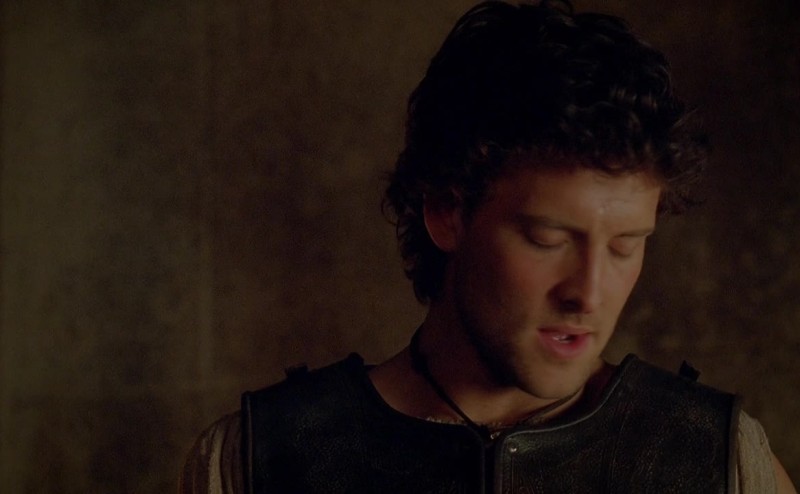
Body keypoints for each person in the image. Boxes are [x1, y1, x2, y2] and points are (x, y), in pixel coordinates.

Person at [180, 1, 797, 492]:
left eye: (625, 246)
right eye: (547, 238)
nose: (588, 293)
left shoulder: (720, 462)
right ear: (446, 212)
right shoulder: (256, 461)